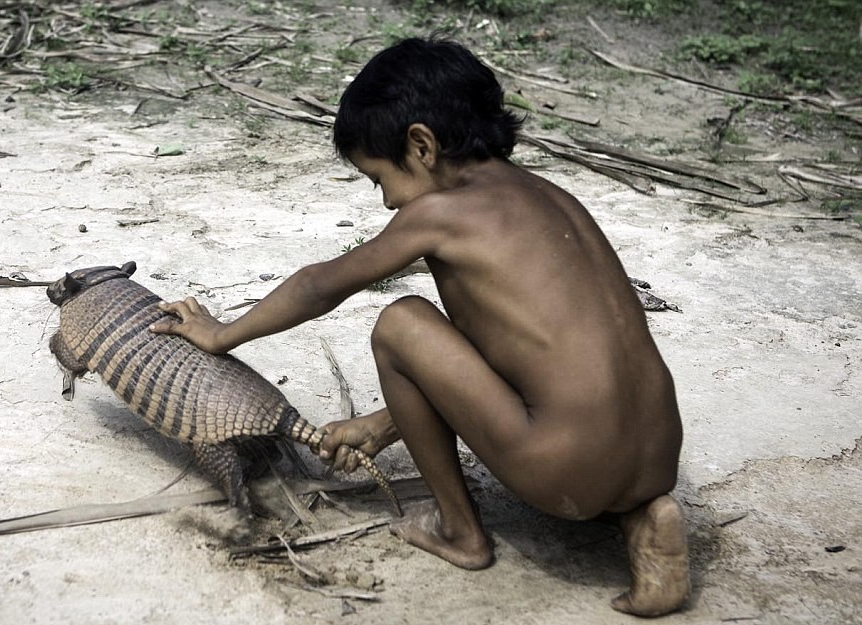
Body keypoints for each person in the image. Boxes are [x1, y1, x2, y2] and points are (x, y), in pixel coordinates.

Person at [150, 37, 690, 617]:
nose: (385, 203)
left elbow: (318, 286)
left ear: (421, 144)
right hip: (658, 456)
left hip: (566, 472)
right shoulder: (552, 199)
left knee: (401, 323)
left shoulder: (440, 213)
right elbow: (507, 352)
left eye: (379, 178)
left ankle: (461, 530)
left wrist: (221, 333)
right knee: (474, 350)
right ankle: (641, 515)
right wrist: (385, 426)